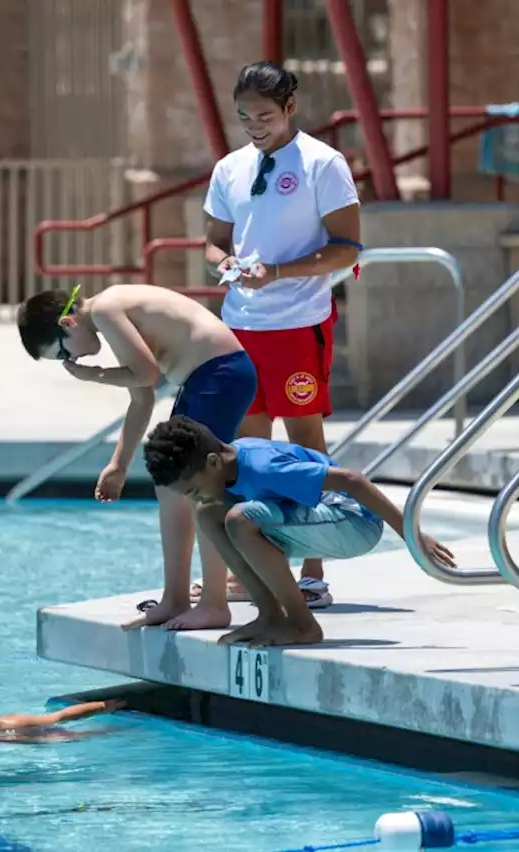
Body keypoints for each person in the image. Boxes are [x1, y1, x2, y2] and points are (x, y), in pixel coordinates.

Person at [201, 60, 364, 612]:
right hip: (240, 325)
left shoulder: (323, 163)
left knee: (304, 446)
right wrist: (226, 264)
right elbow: (214, 241)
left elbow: (347, 248)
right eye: (244, 116)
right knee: (247, 449)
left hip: (298, 325)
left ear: (290, 108)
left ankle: (316, 568)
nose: (254, 126)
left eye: (264, 116)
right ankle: (259, 567)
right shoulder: (229, 167)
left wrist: (278, 271)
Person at [16, 282, 257, 631]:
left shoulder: (105, 310)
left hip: (219, 375)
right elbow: (141, 399)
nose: (75, 361)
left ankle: (215, 604)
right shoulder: (108, 316)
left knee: (201, 490)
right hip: (208, 378)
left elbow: (146, 374)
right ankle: (175, 598)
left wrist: (93, 376)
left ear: (68, 324)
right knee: (170, 487)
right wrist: (119, 464)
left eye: (65, 354)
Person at [140, 415, 457, 647]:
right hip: (320, 520)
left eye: (194, 489)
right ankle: (270, 616)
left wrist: (412, 536)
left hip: (353, 523)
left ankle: (303, 625)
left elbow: (352, 479)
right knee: (209, 512)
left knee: (239, 519)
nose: (196, 496)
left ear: (211, 462)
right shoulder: (230, 463)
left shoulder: (263, 466)